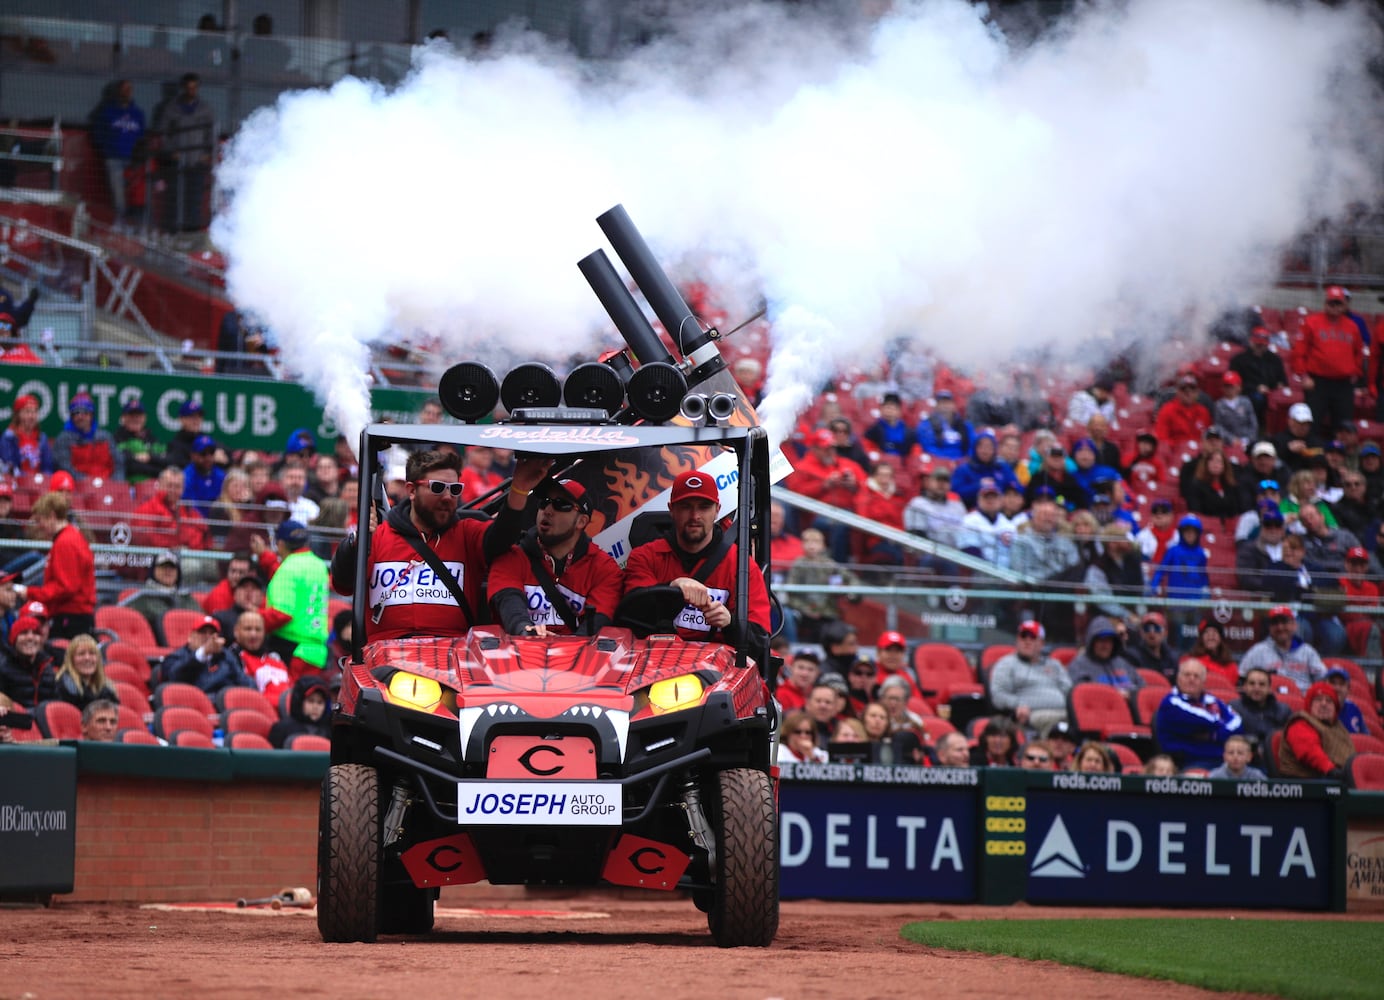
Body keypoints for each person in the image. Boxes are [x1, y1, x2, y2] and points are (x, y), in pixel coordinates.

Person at [330, 448, 549, 643]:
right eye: (438, 488)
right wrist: (357, 542)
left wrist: (519, 489)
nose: (447, 497)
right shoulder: (378, 537)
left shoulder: (467, 533)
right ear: (411, 490)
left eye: (454, 489)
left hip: (452, 660)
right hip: (384, 656)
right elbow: (343, 583)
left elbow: (503, 538)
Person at [623, 469, 771, 649]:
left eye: (704, 507)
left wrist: (730, 622)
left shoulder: (741, 565)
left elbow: (760, 641)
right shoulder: (645, 557)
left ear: (717, 510)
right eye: (686, 506)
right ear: (672, 510)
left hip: (716, 671)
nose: (695, 516)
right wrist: (671, 587)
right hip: (652, 662)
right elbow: (629, 616)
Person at [490, 479, 622, 637]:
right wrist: (527, 633)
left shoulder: (604, 569)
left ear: (581, 521)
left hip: (578, 658)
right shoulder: (511, 557)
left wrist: (566, 649)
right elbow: (511, 608)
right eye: (545, 502)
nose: (547, 510)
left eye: (561, 504)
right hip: (518, 655)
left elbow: (596, 624)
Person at [9, 492, 95, 639]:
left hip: (71, 617)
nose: (40, 526)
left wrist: (29, 592)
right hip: (74, 615)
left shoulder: (66, 542)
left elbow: (66, 587)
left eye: (40, 519)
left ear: (52, 516)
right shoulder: (69, 537)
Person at [264, 519, 329, 682]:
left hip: (292, 649)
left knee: (289, 702)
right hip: (317, 651)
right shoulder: (319, 564)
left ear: (280, 544)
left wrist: (254, 621)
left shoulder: (287, 567)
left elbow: (281, 613)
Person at [1295, 286, 1365, 440]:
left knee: (1343, 426)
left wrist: (1356, 372)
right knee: (1312, 423)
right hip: (1318, 382)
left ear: (1344, 305)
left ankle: (1340, 458)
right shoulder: (1311, 322)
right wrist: (1304, 375)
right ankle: (1312, 458)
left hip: (1343, 384)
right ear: (1325, 304)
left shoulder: (1352, 326)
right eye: (1331, 303)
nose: (1334, 307)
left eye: (1338, 303)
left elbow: (1359, 352)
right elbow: (1299, 352)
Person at [787, 428, 866, 562]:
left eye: (832, 447)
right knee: (839, 526)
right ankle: (837, 566)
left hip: (848, 511)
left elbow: (865, 485)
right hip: (817, 514)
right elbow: (796, 495)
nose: (830, 451)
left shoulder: (847, 464)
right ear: (814, 449)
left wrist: (853, 485)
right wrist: (824, 485)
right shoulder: (802, 467)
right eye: (825, 448)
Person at [1152, 659, 1243, 771]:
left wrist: (1213, 735)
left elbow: (1237, 722)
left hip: (1222, 761)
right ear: (1178, 679)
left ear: (1203, 682)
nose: (1191, 679)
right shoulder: (1171, 703)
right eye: (1187, 675)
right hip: (1189, 763)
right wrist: (1222, 725)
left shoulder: (1211, 700)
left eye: (1196, 676)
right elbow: (1203, 721)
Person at [154, 72, 216, 233]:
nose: (191, 91)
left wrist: (206, 153)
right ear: (183, 88)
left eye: (194, 87)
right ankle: (173, 231)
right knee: (175, 197)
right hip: (177, 162)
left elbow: (211, 133)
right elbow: (163, 133)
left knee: (194, 198)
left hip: (197, 162)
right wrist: (171, 151)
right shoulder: (171, 108)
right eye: (188, 87)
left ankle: (192, 232)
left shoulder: (205, 109)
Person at [988, 620, 1071, 735]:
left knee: (1080, 717)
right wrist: (1018, 705)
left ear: (1042, 643)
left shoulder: (1054, 665)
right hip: (1031, 715)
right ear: (1017, 640)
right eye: (1023, 636)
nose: (1027, 641)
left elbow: (1069, 691)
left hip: (1063, 710)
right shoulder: (1006, 664)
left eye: (1032, 637)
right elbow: (998, 695)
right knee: (1062, 719)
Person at [1237, 606, 1327, 693]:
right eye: (1275, 623)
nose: (1280, 627)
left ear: (1294, 625)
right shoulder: (1258, 651)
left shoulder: (1308, 652)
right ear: (1270, 627)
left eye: (1284, 622)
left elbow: (1323, 680)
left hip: (1301, 701)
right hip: (1269, 704)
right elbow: (1241, 679)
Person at [160, 614, 255, 695]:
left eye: (212, 633)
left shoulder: (225, 655)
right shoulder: (175, 657)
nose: (208, 637)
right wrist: (203, 653)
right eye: (202, 632)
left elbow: (245, 682)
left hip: (227, 704)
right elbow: (174, 677)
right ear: (190, 637)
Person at [1277, 680, 1354, 779]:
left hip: (1335, 778)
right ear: (1310, 704)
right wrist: (1331, 770)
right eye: (1318, 700)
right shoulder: (1300, 723)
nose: (1324, 704)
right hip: (1307, 782)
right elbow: (1310, 752)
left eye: (1329, 701)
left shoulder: (1338, 727)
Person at [93, 79, 145, 225]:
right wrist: (106, 148)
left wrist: (138, 155)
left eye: (129, 89)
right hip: (113, 158)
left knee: (135, 192)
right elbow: (98, 132)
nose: (127, 93)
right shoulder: (108, 112)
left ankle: (135, 223)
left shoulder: (137, 114)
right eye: (124, 89)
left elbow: (141, 136)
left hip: (132, 160)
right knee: (118, 192)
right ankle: (120, 222)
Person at [125, 550, 202, 643]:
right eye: (163, 566)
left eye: (172, 567)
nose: (168, 571)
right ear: (154, 570)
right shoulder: (142, 597)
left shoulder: (186, 597)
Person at [50, 392, 123, 482]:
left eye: (85, 412)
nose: (80, 417)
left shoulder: (105, 436)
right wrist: (90, 483)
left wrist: (114, 483)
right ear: (71, 416)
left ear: (91, 415)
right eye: (76, 413)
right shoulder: (63, 439)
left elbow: (119, 464)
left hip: (108, 487)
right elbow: (65, 468)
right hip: (79, 488)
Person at [1011, 489, 1080, 582]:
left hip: (1061, 590)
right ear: (1034, 516)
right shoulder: (1021, 542)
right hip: (1032, 588)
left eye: (1052, 515)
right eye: (1044, 515)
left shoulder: (1065, 542)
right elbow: (1019, 571)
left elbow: (1074, 565)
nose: (1048, 519)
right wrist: (1052, 577)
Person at [1067, 616, 1143, 700]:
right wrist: (1114, 695)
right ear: (1092, 642)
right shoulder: (1079, 665)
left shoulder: (1122, 663)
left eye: (1109, 640)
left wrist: (1131, 694)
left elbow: (1143, 688)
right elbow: (1082, 695)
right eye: (1101, 640)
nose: (1105, 645)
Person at [1229, 666, 1292, 766]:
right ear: (1244, 687)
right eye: (1252, 683)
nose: (1256, 688)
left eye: (1262, 684)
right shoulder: (1234, 708)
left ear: (1269, 688)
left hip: (1274, 763)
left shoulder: (1283, 711)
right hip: (1242, 763)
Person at [227, 610, 291, 708]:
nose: (253, 635)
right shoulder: (231, 657)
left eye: (258, 630)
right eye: (248, 629)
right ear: (236, 631)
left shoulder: (275, 658)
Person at [1230, 326, 1287, 427]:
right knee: (1257, 399)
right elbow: (1234, 384)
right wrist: (1255, 388)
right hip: (1248, 394)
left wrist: (1277, 387)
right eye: (1257, 344)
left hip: (1271, 393)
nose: (1260, 347)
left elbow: (1282, 380)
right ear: (1251, 342)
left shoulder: (1274, 359)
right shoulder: (1239, 360)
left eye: (1262, 345)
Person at [950, 431, 1019, 509]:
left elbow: (1016, 487)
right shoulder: (964, 469)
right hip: (971, 511)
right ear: (975, 448)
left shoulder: (1002, 468)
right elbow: (955, 493)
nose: (985, 451)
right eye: (981, 447)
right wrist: (978, 486)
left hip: (1001, 511)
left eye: (989, 447)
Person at [903, 465, 968, 550]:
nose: (941, 484)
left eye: (945, 481)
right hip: (930, 553)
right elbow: (916, 537)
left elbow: (967, 536)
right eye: (938, 480)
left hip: (959, 555)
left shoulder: (958, 507)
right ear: (929, 482)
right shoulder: (918, 504)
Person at [0, 616, 56, 709]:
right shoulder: (3, 667)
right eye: (24, 633)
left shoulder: (47, 667)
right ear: (14, 639)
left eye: (35, 633)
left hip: (43, 720)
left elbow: (56, 701)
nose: (30, 637)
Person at [52, 633, 118, 711]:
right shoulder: (64, 688)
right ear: (71, 660)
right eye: (81, 654)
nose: (87, 658)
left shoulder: (107, 688)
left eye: (92, 653)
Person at [268, 675, 332, 748]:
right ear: (299, 702)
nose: (315, 707)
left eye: (320, 702)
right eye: (310, 701)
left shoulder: (330, 731)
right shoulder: (281, 729)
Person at [1154, 373, 1212, 453]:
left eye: (1192, 389)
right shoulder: (1167, 410)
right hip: (1176, 454)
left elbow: (1208, 438)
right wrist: (1181, 447)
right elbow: (1162, 439)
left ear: (1197, 392)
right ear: (1178, 392)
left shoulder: (1203, 412)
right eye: (1184, 389)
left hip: (1199, 455)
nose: (1188, 392)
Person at [112, 397, 164, 484]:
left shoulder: (153, 439)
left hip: (155, 487)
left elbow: (165, 462)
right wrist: (153, 464)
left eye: (139, 415)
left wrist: (150, 457)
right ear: (123, 417)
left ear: (145, 418)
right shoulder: (116, 439)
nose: (135, 419)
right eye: (131, 415)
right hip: (127, 487)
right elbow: (128, 465)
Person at [0, 393, 53, 477]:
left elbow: (48, 468)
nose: (32, 416)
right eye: (27, 412)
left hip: (40, 485)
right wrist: (27, 478)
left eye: (35, 412)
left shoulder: (42, 438)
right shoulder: (8, 437)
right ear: (18, 415)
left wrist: (42, 478)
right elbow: (9, 467)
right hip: (17, 484)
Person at [915, 389, 973, 460]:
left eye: (948, 403)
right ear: (936, 406)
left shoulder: (965, 425)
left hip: (961, 462)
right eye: (942, 403)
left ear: (954, 405)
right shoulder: (927, 425)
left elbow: (972, 446)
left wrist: (963, 460)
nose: (945, 406)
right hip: (938, 463)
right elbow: (928, 447)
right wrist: (947, 461)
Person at [1183, 617, 1239, 689]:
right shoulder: (1190, 661)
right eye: (1207, 632)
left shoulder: (1231, 666)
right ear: (1201, 638)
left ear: (1221, 638)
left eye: (1215, 632)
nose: (1211, 636)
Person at [1272, 403, 1326, 474]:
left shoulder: (1316, 441)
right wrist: (1288, 450)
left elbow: (1322, 459)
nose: (1304, 426)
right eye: (1300, 422)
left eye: (1307, 423)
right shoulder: (1279, 440)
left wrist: (1307, 454)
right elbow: (1272, 462)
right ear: (1290, 421)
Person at [215, 311, 273, 375]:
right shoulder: (230, 318)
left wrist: (262, 339)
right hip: (230, 369)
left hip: (248, 370)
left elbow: (264, 347)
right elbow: (223, 345)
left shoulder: (256, 319)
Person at [1126, 611, 1178, 682]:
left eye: (1157, 628)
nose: (1152, 632)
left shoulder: (1172, 657)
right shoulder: (1132, 656)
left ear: (1165, 632)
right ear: (1141, 632)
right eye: (1147, 628)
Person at [863, 392, 917, 459]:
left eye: (893, 409)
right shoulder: (874, 429)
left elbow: (915, 450)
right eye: (887, 408)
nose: (889, 411)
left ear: (899, 411)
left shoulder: (909, 431)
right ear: (881, 409)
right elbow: (867, 447)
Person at [1324, 666, 1369, 735]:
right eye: (1333, 683)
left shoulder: (1354, 709)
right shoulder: (1319, 710)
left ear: (1348, 689)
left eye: (1341, 684)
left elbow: (1366, 738)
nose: (1337, 688)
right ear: (1324, 686)